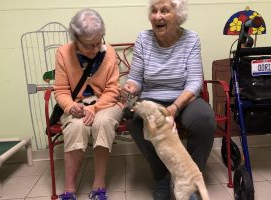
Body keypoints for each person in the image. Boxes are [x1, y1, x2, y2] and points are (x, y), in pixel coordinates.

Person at [121, 0, 216, 199]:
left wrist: (174, 107)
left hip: (184, 99)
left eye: (165, 10)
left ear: (178, 15)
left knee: (204, 119)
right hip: (151, 98)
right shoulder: (143, 38)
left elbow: (195, 81)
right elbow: (136, 78)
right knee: (135, 120)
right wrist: (131, 86)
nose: (157, 16)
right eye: (154, 11)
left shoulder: (191, 39)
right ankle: (161, 176)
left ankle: (189, 177)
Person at [54, 8, 123, 200]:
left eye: (98, 42)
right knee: (76, 126)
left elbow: (113, 90)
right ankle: (69, 189)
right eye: (88, 45)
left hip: (106, 104)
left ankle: (99, 185)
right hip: (76, 105)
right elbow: (60, 90)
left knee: (102, 122)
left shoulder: (108, 52)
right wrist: (70, 107)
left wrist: (94, 108)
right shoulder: (62, 53)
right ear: (76, 39)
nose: (95, 49)